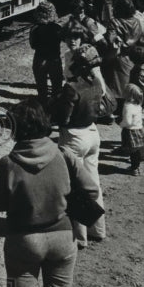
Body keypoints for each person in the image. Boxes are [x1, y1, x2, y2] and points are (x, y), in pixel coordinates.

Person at [0, 97, 98, 287]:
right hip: (63, 237)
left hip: (24, 240)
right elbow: (91, 191)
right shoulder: (64, 155)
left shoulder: (7, 163)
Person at [53, 45, 108, 247]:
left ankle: (80, 237)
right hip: (92, 133)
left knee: (75, 186)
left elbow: (63, 118)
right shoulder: (98, 82)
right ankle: (98, 229)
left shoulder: (72, 88)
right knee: (93, 183)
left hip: (74, 137)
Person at [29, 1, 63, 102]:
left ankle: (43, 106)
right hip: (54, 60)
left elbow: (32, 45)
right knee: (57, 88)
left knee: (42, 89)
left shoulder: (34, 28)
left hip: (40, 59)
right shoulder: (58, 28)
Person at [118, 84, 144, 175]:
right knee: (137, 150)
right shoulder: (138, 104)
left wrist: (121, 124)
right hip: (139, 129)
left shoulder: (128, 106)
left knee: (132, 151)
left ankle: (134, 168)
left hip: (130, 131)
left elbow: (128, 121)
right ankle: (136, 167)